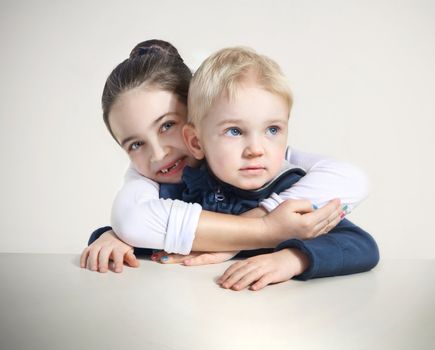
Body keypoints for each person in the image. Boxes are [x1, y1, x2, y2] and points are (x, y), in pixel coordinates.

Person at [80, 40, 371, 276]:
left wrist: (293, 257)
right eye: (135, 144)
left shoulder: (279, 180)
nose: (158, 153)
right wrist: (115, 237)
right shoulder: (178, 192)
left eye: (167, 125)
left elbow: (356, 239)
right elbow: (147, 229)